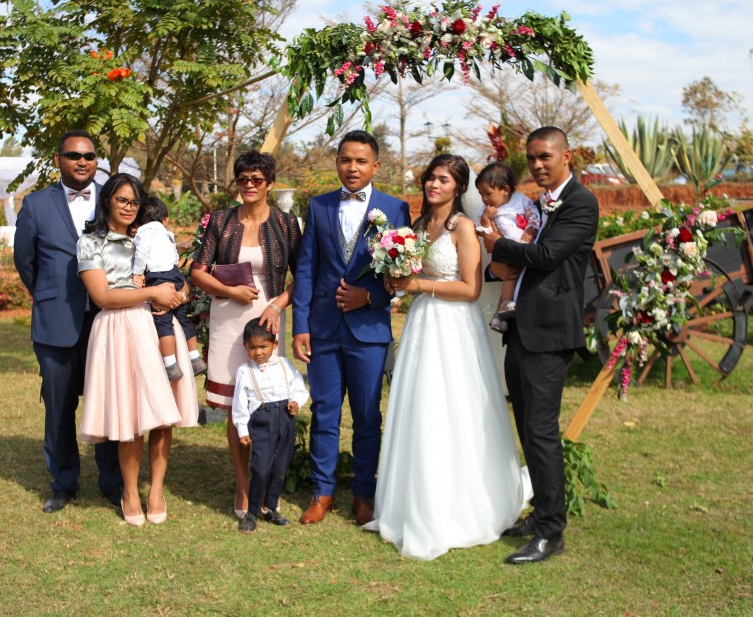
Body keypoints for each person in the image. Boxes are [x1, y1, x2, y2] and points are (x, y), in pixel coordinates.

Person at [360, 154, 527, 560]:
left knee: (452, 408)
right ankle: (411, 503)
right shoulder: (418, 226)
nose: (434, 185)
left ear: (459, 188)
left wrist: (417, 283)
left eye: (444, 180)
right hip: (422, 324)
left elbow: (470, 289)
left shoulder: (464, 227)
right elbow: (412, 278)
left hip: (454, 328)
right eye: (431, 178)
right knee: (419, 408)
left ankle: (459, 507)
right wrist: (397, 280)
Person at [484, 126, 600, 564]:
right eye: (531, 158)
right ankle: (541, 512)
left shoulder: (580, 203)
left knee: (541, 430)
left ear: (566, 156)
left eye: (545, 156)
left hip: (551, 332)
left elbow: (547, 256)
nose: (536, 165)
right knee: (527, 427)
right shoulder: (538, 204)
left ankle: (552, 532)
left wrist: (500, 244)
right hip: (523, 327)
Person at [291, 130, 410, 526]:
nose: (352, 167)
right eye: (345, 160)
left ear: (376, 166)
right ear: (337, 162)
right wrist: (300, 325)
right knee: (325, 412)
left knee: (366, 415)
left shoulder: (395, 209)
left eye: (361, 161)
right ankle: (322, 493)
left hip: (369, 330)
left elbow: (400, 274)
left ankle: (363, 493)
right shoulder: (320, 206)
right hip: (323, 328)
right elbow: (306, 267)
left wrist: (371, 298)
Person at [77, 173, 197, 526]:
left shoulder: (149, 235)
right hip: (119, 330)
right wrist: (151, 293)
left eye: (134, 202)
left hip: (161, 328)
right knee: (130, 416)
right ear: (107, 202)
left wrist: (180, 292)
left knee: (163, 413)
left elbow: (176, 276)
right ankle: (130, 491)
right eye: (122, 200)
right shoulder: (91, 242)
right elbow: (101, 296)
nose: (129, 207)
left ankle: (156, 489)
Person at [13, 130, 123, 513]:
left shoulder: (114, 200)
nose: (83, 161)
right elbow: (25, 262)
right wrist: (49, 296)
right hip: (55, 321)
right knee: (58, 405)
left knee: (108, 400)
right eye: (74, 155)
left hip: (108, 320)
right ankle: (63, 481)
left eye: (90, 156)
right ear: (58, 159)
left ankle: (113, 481)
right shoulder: (36, 204)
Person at [190, 150, 301, 521]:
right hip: (227, 319)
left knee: (270, 405)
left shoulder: (287, 224)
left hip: (267, 321)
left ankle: (269, 485)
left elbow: (301, 279)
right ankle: (243, 486)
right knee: (237, 408)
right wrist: (229, 291)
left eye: (257, 179)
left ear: (269, 183)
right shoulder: (220, 221)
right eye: (243, 179)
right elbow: (198, 271)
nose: (249, 186)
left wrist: (276, 305)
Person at [232, 318, 309, 534]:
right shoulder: (245, 371)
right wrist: (243, 430)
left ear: (274, 345)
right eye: (252, 348)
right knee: (260, 468)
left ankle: (271, 507)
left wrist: (296, 403)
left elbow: (300, 389)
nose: (258, 352)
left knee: (280, 467)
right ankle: (252, 512)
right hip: (262, 420)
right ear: (246, 347)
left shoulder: (284, 364)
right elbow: (239, 404)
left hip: (285, 418)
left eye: (263, 347)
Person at [132, 196, 206, 380]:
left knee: (163, 323)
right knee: (183, 318)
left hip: (157, 277)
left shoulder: (142, 233)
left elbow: (141, 254)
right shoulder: (167, 234)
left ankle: (171, 364)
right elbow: (174, 255)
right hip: (174, 274)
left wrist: (138, 272)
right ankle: (194, 357)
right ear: (164, 219)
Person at [474, 163, 540, 333]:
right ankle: (504, 307)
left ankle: (500, 313)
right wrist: (486, 219)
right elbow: (486, 234)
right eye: (481, 194)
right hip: (501, 251)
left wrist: (531, 228)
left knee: (516, 276)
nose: (484, 199)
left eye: (488, 193)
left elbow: (533, 214)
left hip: (523, 244)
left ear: (505, 189)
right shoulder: (486, 211)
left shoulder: (521, 200)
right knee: (510, 275)